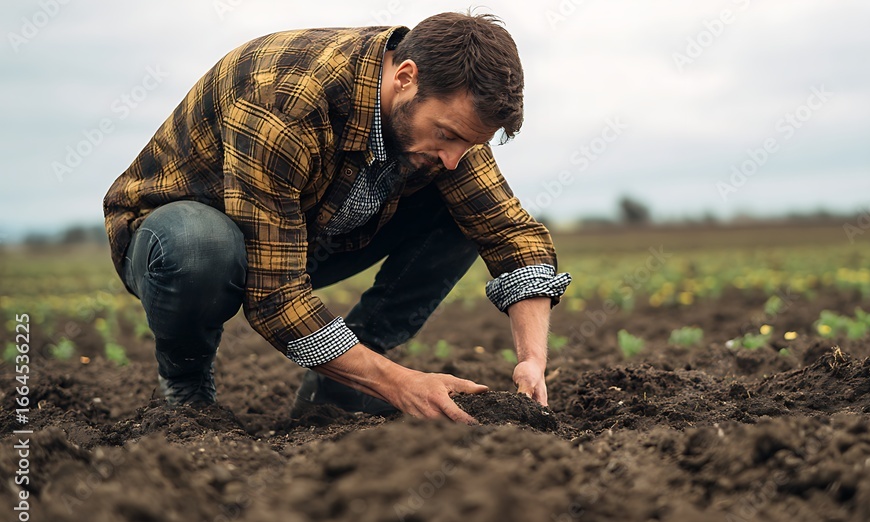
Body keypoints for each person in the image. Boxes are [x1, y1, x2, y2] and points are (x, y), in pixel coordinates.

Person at [102, 12, 571, 424]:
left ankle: (341, 386)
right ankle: (188, 387)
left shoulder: (443, 124)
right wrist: (400, 383)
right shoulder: (286, 101)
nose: (454, 158)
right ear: (406, 77)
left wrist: (532, 359)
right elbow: (276, 297)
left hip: (309, 236)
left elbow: (509, 233)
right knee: (200, 246)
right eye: (447, 134)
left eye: (469, 144)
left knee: (463, 210)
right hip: (177, 239)